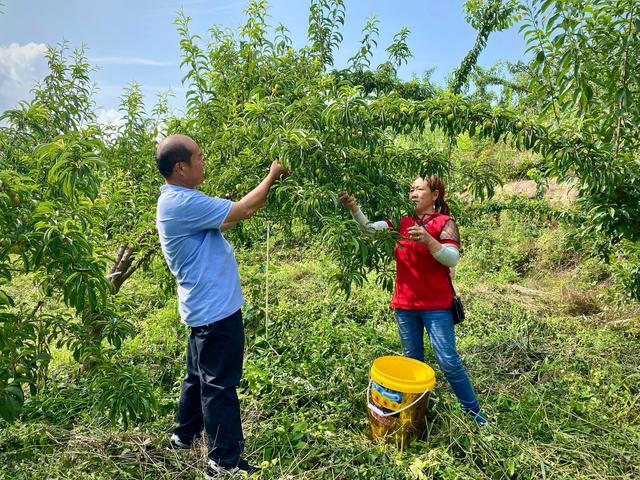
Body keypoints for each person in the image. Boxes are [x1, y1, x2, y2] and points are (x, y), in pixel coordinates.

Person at [155, 134, 288, 476]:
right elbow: (242, 210)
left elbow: (229, 219)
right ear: (180, 167)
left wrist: (247, 204)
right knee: (219, 384)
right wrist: (271, 176)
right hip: (216, 310)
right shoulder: (182, 202)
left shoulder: (179, 200)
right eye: (199, 156)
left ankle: (184, 435)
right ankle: (223, 461)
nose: (204, 161)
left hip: (202, 307)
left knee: (198, 375)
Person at [338, 175, 487, 425]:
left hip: (437, 306)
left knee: (448, 362)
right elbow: (369, 230)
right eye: (411, 189)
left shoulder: (444, 222)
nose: (413, 194)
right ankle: (416, 413)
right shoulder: (401, 220)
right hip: (405, 304)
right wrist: (354, 208)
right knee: (412, 362)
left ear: (435, 195)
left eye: (419, 189)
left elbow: (451, 258)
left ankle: (475, 416)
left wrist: (429, 240)